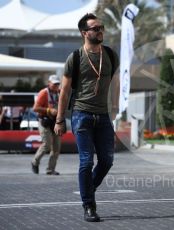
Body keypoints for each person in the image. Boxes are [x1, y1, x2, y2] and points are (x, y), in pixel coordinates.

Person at [54, 13, 119, 222]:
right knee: (86, 160)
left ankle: (88, 188)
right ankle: (89, 205)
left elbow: (114, 82)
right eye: (95, 28)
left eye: (102, 27)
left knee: (107, 160)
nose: (100, 31)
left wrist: (115, 106)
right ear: (85, 33)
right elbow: (64, 91)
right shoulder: (75, 58)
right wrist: (59, 119)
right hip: (81, 114)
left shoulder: (109, 55)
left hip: (103, 115)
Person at [31, 74, 61, 175]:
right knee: (47, 144)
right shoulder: (43, 93)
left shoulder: (59, 92)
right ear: (49, 83)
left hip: (55, 122)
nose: (56, 86)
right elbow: (35, 108)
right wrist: (49, 110)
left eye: (57, 84)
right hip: (44, 121)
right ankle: (35, 161)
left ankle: (50, 169)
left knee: (56, 147)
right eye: (54, 84)